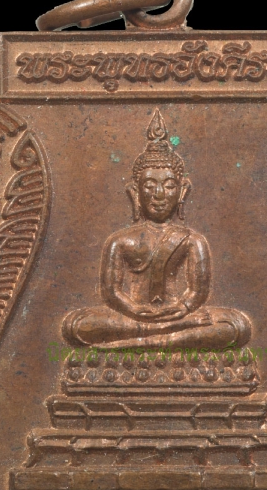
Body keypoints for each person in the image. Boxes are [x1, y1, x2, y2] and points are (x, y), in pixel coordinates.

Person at [62, 109, 251, 350]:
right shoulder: (120, 241)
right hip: (133, 317)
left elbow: (198, 291)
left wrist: (182, 309)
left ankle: (137, 342)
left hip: (179, 315)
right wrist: (134, 310)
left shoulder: (192, 240)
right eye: (150, 186)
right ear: (135, 192)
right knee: (78, 324)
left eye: (169, 186)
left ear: (182, 192)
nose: (159, 195)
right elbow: (111, 292)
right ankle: (160, 336)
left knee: (234, 325)